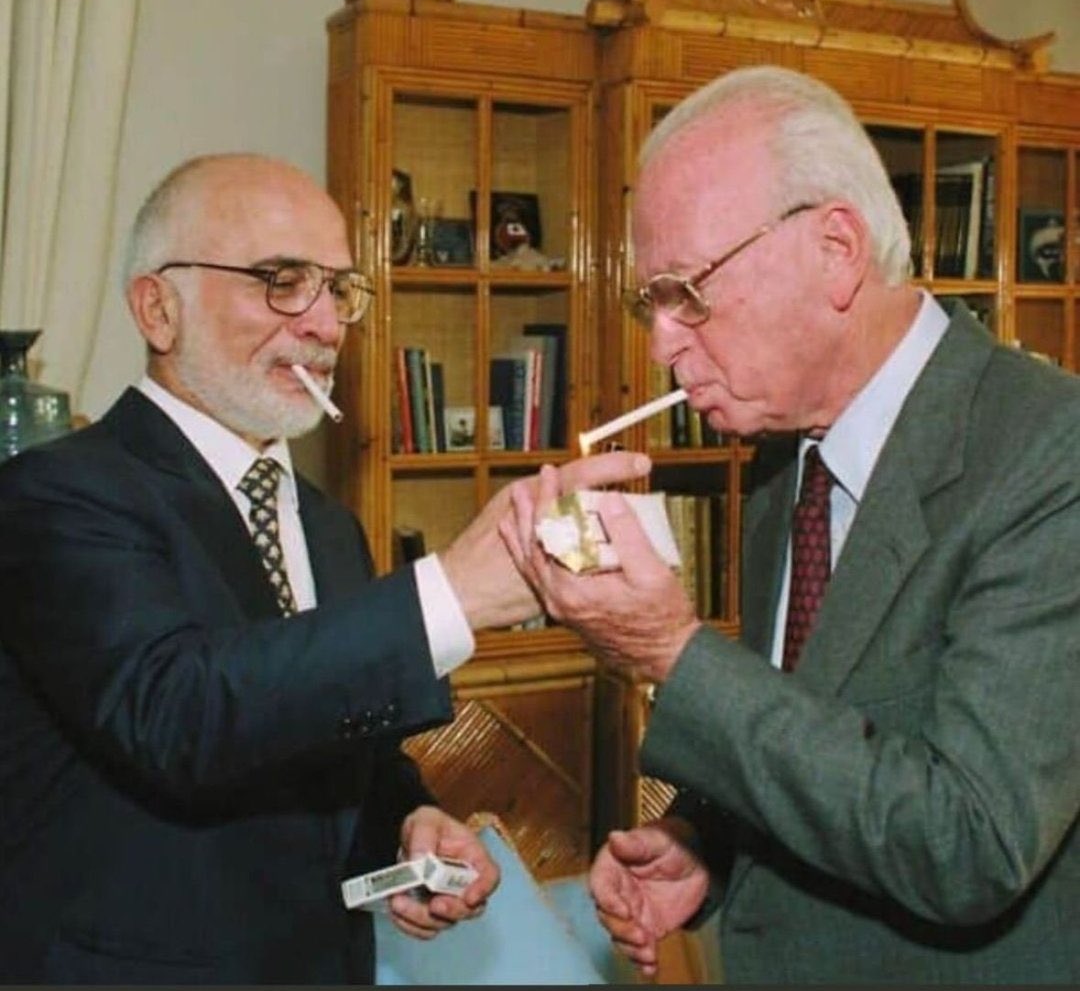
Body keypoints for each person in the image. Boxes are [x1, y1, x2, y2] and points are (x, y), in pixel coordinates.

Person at [0, 152, 646, 983]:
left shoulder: (328, 526)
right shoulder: (54, 496)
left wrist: (407, 821)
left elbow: (330, 738)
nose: (324, 324)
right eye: (280, 279)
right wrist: (451, 590)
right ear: (158, 309)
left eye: (338, 288)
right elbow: (180, 711)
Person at [503, 66, 1080, 983]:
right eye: (648, 301)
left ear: (836, 248)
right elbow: (827, 732)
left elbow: (969, 840)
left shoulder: (1049, 451)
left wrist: (671, 649)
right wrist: (708, 842)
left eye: (686, 290)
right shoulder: (787, 458)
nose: (663, 344)